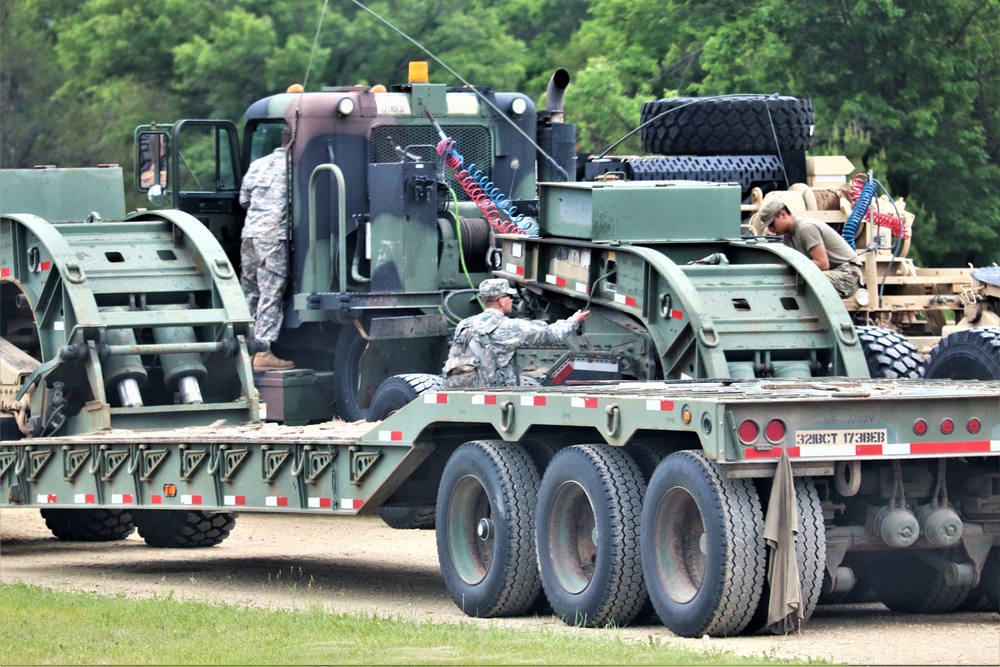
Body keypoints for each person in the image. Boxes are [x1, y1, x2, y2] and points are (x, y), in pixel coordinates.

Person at [443, 279, 591, 388]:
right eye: (510, 296)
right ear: (501, 301)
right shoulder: (508, 327)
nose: (512, 300)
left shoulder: (465, 324)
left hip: (463, 390)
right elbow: (551, 334)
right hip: (493, 394)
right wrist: (574, 321)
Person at [240, 125, 295, 371]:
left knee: (250, 292)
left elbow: (244, 200)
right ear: (293, 142)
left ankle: (243, 350)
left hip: (250, 235)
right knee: (271, 292)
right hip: (272, 238)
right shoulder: (293, 168)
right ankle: (262, 352)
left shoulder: (258, 164)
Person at [758, 199, 864, 298]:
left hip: (848, 273)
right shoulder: (787, 236)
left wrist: (791, 268)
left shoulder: (806, 228)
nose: (770, 230)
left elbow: (822, 263)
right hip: (833, 272)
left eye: (772, 224)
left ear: (783, 214)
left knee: (805, 283)